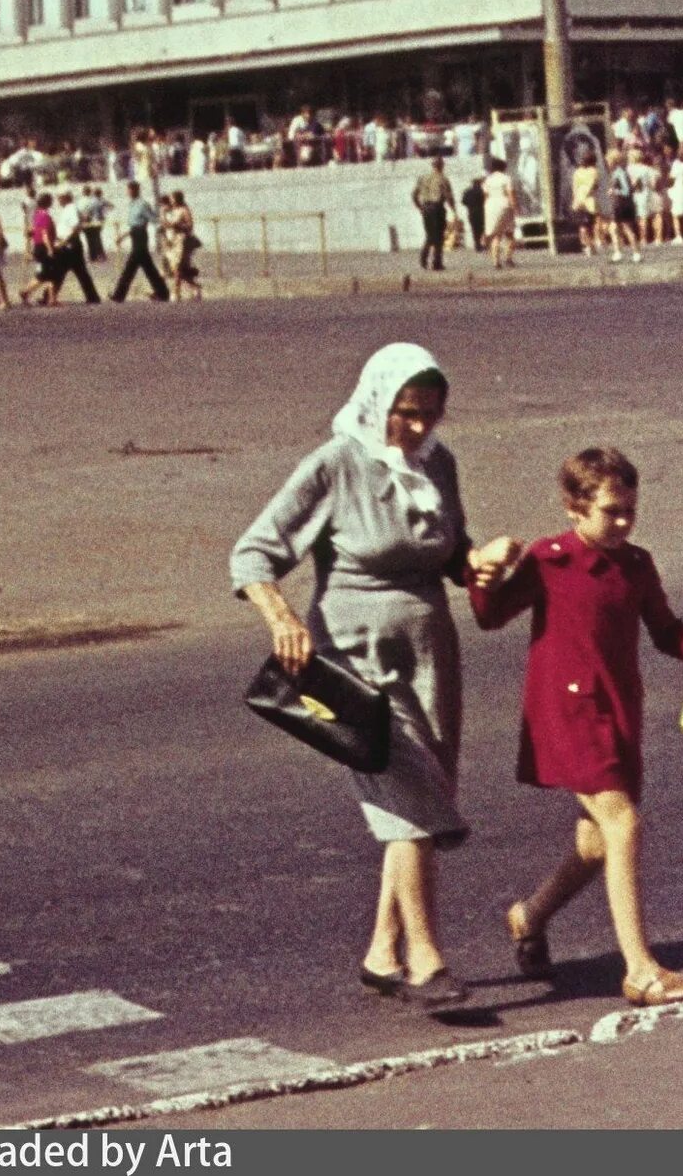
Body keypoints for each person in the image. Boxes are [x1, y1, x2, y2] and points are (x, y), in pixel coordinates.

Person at [233, 345, 504, 1008]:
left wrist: (483, 561)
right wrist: (281, 619)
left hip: (430, 650)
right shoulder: (334, 463)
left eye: (430, 416)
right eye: (406, 414)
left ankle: (383, 950)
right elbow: (252, 553)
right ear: (377, 402)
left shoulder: (439, 463)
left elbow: (450, 551)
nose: (417, 429)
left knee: (412, 796)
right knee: (410, 797)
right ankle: (425, 960)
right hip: (354, 655)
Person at [469, 446, 683, 1006]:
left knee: (594, 843)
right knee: (624, 824)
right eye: (612, 511)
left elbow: (662, 626)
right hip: (566, 712)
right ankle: (639, 968)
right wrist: (481, 574)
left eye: (630, 510)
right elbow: (489, 617)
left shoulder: (636, 564)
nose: (623, 522)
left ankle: (529, 915)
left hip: (618, 709)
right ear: (574, 508)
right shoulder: (550, 559)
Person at [412, 157, 453, 271]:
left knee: (430, 234)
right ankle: (437, 263)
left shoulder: (423, 178)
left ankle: (424, 259)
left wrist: (420, 207)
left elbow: (414, 194)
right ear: (442, 166)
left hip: (426, 208)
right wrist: (454, 210)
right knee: (438, 236)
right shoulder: (443, 179)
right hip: (437, 208)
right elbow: (448, 196)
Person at [162, 190, 204, 300]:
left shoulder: (184, 210)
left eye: (172, 198)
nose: (170, 201)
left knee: (177, 267)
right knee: (176, 269)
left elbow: (190, 226)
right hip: (172, 241)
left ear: (177, 199)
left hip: (181, 240)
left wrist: (178, 226)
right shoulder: (171, 211)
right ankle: (195, 288)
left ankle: (176, 292)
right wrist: (163, 214)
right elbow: (165, 224)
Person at [483, 161, 519, 270]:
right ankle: (508, 258)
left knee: (496, 235)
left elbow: (486, 195)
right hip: (504, 205)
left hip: (490, 206)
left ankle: (496, 262)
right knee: (510, 234)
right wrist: (515, 207)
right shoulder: (506, 178)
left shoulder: (488, 180)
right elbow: (510, 193)